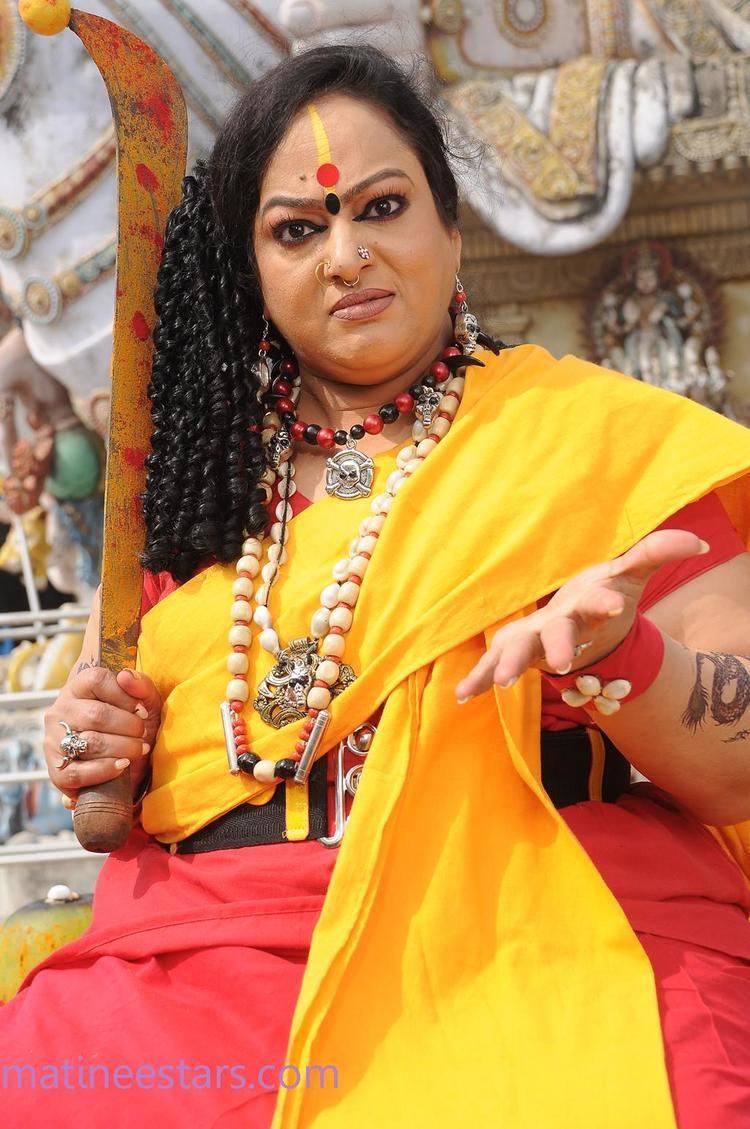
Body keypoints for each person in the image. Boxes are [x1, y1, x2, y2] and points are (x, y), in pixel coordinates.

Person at [2, 44, 750, 1129]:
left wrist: (618, 656)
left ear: (452, 228)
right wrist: (93, 745)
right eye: (298, 230)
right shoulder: (194, 495)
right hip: (192, 969)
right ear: (251, 270)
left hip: (534, 934)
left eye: (383, 207)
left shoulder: (600, 443)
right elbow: (105, 797)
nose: (346, 255)